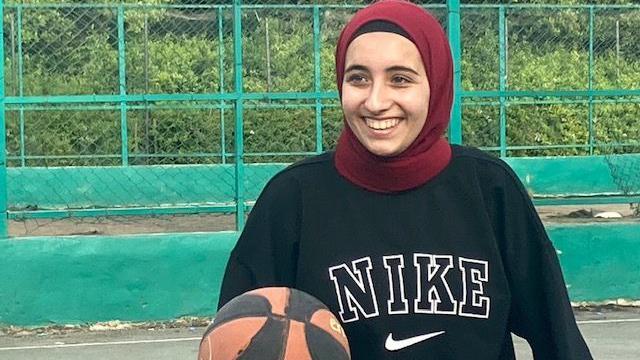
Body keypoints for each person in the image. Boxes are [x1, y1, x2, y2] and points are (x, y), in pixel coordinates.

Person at [218, 0, 592, 358]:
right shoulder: (292, 199)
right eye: (359, 78)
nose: (376, 101)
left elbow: (558, 340)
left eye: (400, 79)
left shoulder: (489, 190)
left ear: (436, 83)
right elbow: (238, 339)